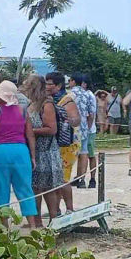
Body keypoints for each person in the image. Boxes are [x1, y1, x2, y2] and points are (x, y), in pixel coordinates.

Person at [0, 80, 41, 228]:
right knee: (25, 189)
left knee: (0, 189)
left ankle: (5, 226)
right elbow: (30, 135)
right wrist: (33, 156)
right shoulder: (23, 111)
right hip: (20, 151)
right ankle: (33, 225)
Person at [21, 74, 63, 222]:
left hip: (47, 152)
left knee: (48, 188)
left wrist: (30, 131)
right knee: (35, 188)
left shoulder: (46, 104)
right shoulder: (31, 104)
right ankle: (37, 221)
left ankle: (54, 219)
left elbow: (51, 129)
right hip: (35, 151)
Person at [46, 72, 79, 213]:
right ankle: (56, 209)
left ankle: (69, 209)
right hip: (58, 143)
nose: (47, 86)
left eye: (49, 84)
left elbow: (76, 120)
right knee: (56, 178)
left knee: (63, 178)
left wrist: (64, 119)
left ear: (58, 85)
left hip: (67, 144)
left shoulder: (66, 101)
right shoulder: (51, 100)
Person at [69, 75, 97, 187]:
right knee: (84, 152)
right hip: (85, 127)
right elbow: (91, 114)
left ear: (74, 81)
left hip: (72, 127)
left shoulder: (70, 94)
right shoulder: (87, 94)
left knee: (71, 152)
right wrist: (88, 127)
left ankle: (69, 177)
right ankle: (82, 179)